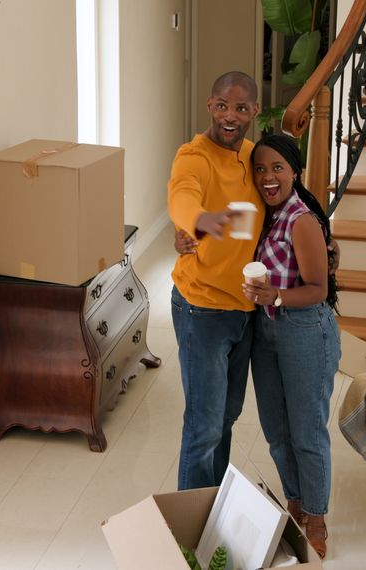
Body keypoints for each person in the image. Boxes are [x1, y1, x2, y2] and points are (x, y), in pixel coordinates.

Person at [241, 134, 341, 558]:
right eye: (260, 169)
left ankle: (316, 519)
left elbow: (318, 289)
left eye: (278, 168)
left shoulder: (301, 220)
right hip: (267, 331)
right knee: (276, 431)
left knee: (306, 434)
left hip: (304, 328)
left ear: (294, 172)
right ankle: (295, 504)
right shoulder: (264, 216)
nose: (268, 177)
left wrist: (276, 296)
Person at [167, 71, 263, 491]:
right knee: (204, 426)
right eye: (223, 105)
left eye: (241, 108)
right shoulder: (194, 156)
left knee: (225, 418)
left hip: (243, 309)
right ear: (210, 105)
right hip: (201, 308)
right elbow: (182, 194)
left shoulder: (254, 156)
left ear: (254, 112)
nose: (230, 115)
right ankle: (190, 528)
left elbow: (282, 201)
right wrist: (198, 220)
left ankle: (215, 509)